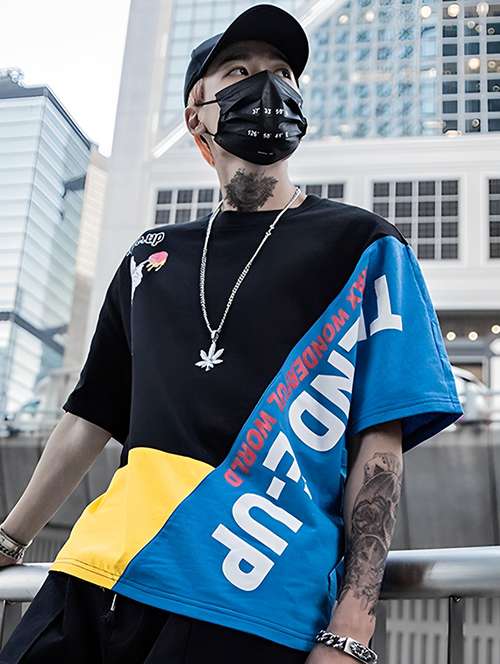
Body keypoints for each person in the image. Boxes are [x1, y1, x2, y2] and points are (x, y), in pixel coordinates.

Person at [0, 4, 463, 663]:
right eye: (239, 72)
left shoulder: (364, 246)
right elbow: (88, 416)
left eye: (283, 74)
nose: (267, 86)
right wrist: (10, 538)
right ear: (198, 116)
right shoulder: (151, 258)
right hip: (97, 574)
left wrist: (352, 626)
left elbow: (379, 445)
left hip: (249, 596)